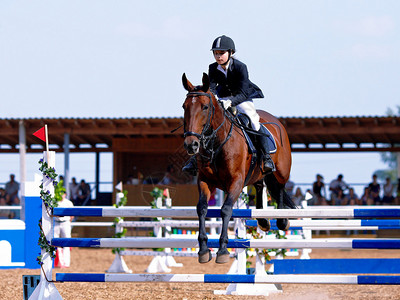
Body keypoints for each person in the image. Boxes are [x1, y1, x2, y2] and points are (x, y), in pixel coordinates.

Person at [182, 35, 274, 175]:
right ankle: (195, 160)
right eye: (216, 53)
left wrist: (230, 101)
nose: (218, 57)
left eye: (221, 53)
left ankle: (267, 157)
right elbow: (211, 89)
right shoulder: (212, 68)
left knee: (254, 121)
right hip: (222, 99)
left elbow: (243, 92)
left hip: (242, 99)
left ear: (231, 53)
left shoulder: (240, 67)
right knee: (207, 123)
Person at [54, 191, 74, 267]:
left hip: (65, 222)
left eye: (62, 193)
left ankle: (66, 262)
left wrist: (68, 222)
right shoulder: (55, 202)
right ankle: (56, 262)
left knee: (67, 242)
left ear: (65, 194)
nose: (61, 195)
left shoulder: (69, 203)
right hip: (56, 222)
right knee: (54, 242)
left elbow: (72, 215)